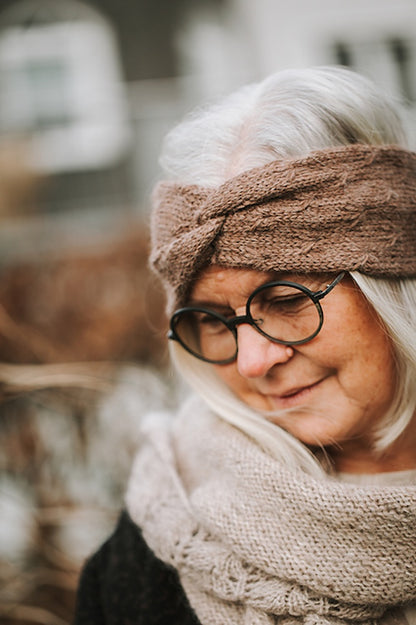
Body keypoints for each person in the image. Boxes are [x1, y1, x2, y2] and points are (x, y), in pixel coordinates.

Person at [74, 66, 416, 624]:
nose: (254, 362)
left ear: (396, 283)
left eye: (285, 299)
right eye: (211, 319)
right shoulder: (148, 559)